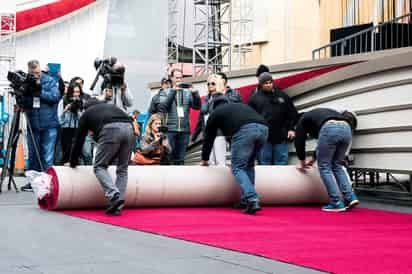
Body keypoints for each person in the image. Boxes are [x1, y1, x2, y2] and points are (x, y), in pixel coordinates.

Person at [201, 102, 268, 215]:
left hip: (245, 131)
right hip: (264, 129)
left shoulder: (215, 114)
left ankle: (252, 199)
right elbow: (234, 137)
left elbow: (209, 138)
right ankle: (245, 200)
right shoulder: (239, 106)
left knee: (237, 167)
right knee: (249, 165)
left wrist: (205, 159)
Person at [70, 101, 135, 216]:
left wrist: (73, 162)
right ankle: (118, 206)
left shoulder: (87, 114)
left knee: (99, 166)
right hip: (129, 128)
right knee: (123, 169)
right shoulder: (110, 107)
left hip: (111, 129)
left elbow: (78, 140)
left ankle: (114, 194)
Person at [294, 108, 359, 212]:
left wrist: (302, 161)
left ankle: (336, 202)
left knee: (324, 167)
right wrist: (313, 159)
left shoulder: (301, 120)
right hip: (347, 129)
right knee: (337, 165)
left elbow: (299, 142)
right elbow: (322, 142)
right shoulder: (318, 115)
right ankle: (350, 197)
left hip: (330, 127)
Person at [21, 60, 61, 191]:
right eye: (33, 73)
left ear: (40, 70)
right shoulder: (27, 82)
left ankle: (47, 183)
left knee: (47, 155)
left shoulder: (49, 81)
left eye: (37, 72)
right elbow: (24, 102)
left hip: (49, 124)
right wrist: (26, 93)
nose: (36, 75)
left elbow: (55, 97)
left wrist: (40, 92)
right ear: (29, 71)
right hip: (33, 124)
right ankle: (33, 182)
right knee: (33, 154)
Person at [248, 72, 298, 165]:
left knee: (282, 163)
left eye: (270, 82)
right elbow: (250, 118)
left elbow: (292, 113)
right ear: (260, 84)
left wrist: (291, 129)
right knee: (264, 164)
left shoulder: (282, 95)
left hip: (281, 135)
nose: (268, 85)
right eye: (265, 83)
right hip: (264, 137)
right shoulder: (254, 98)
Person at [159, 68, 201, 165]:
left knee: (181, 158)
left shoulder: (187, 93)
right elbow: (164, 107)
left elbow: (197, 106)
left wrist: (195, 94)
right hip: (170, 130)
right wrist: (173, 91)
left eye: (181, 77)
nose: (179, 80)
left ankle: (179, 179)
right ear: (171, 78)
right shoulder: (165, 92)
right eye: (177, 78)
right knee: (168, 157)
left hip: (184, 130)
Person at [192, 74, 230, 165]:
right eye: (208, 84)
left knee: (220, 161)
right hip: (208, 134)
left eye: (213, 83)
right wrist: (194, 136)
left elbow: (221, 117)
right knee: (210, 161)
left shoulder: (222, 98)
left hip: (219, 133)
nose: (210, 85)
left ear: (218, 84)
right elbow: (201, 118)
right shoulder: (206, 99)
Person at [58, 83, 83, 164]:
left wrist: (78, 109)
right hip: (66, 129)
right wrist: (65, 110)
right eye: (74, 92)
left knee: (76, 153)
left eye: (78, 92)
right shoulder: (63, 101)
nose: (76, 94)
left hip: (77, 129)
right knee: (66, 152)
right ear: (70, 91)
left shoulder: (81, 102)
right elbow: (60, 120)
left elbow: (82, 119)